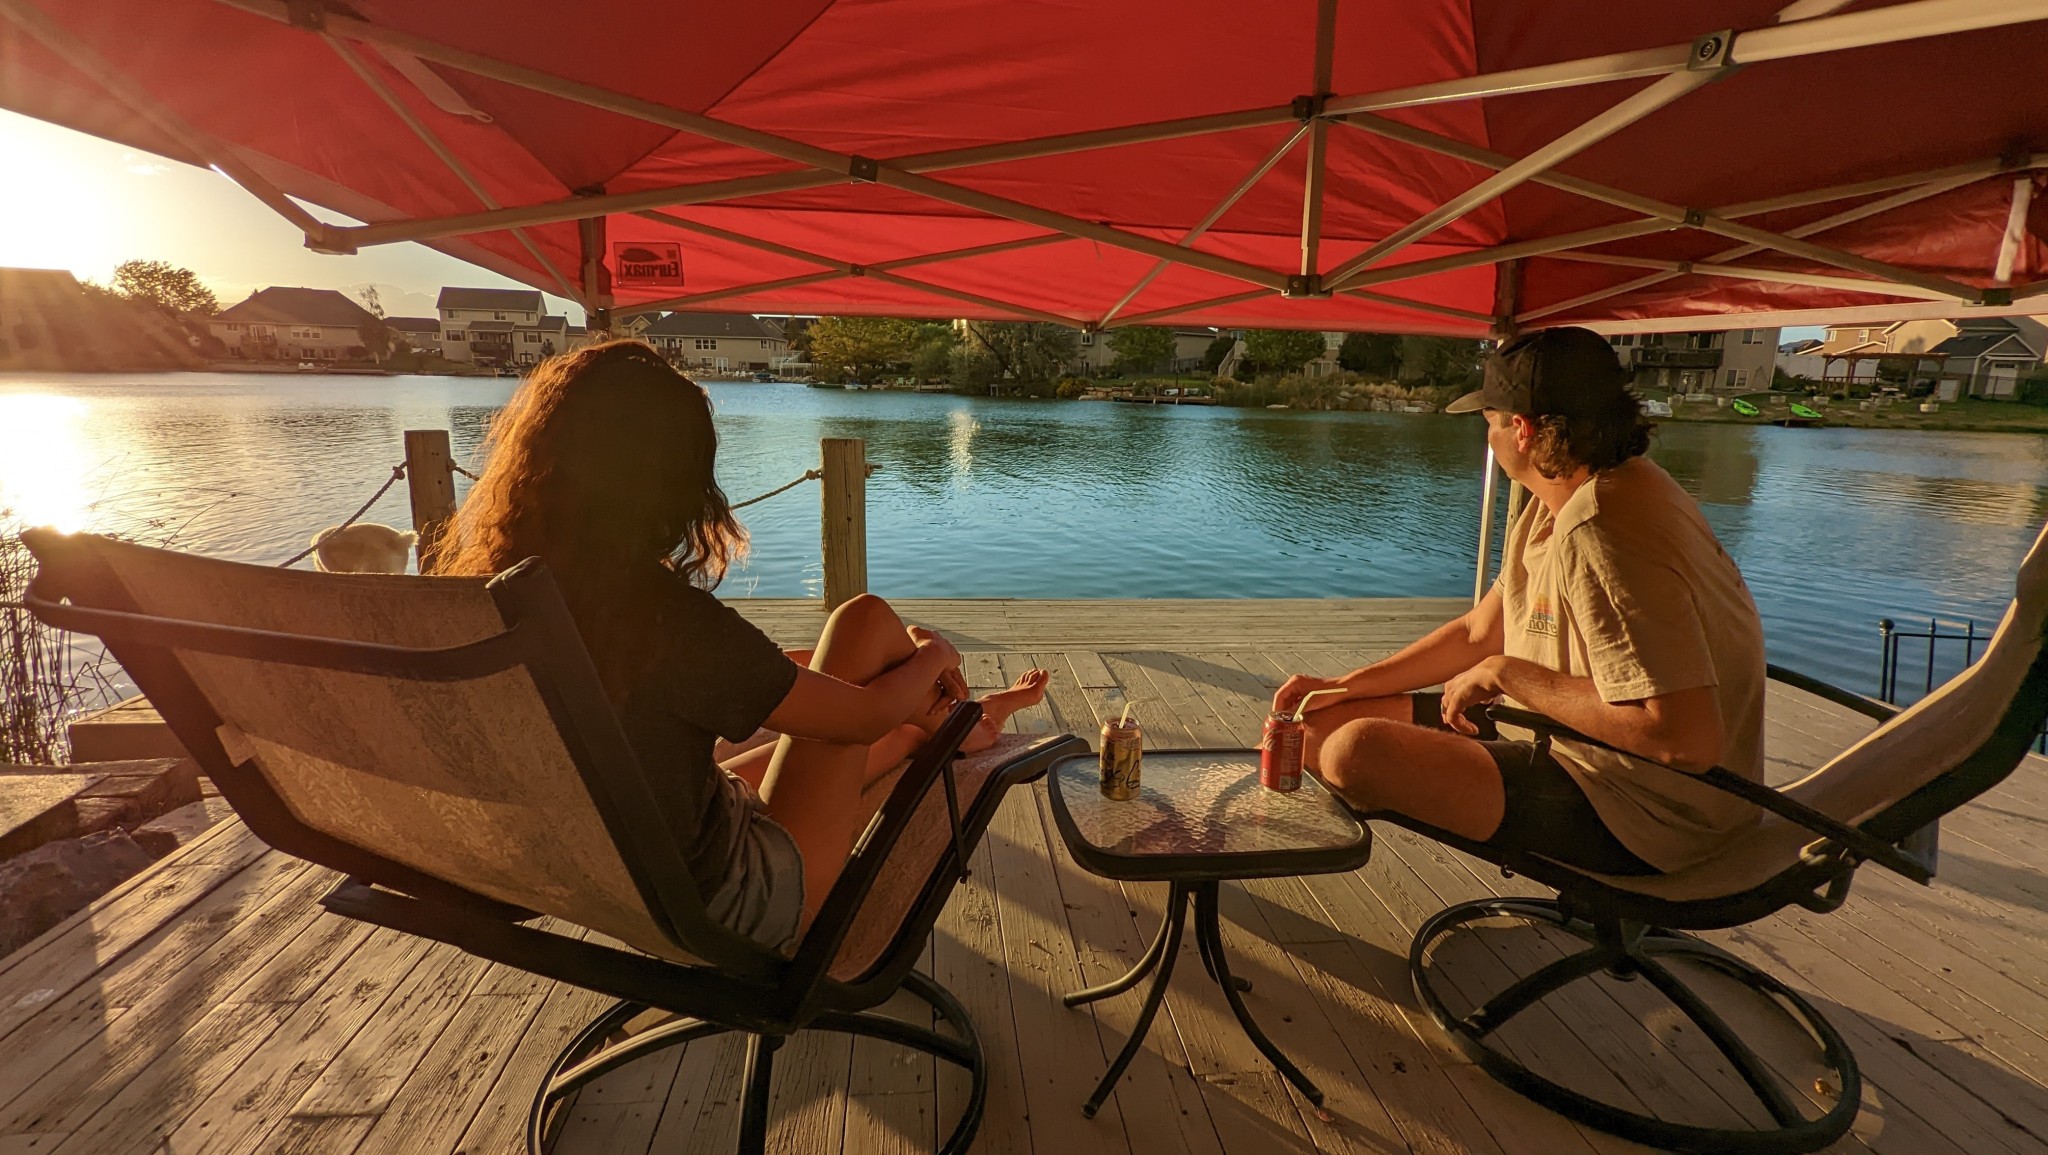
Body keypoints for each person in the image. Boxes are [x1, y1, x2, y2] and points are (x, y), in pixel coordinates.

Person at [435, 341, 1048, 951]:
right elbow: (862, 718)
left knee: (831, 722)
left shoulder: (488, 599)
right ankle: (958, 720)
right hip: (722, 906)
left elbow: (759, 676)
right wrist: (935, 652)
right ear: (674, 482)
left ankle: (956, 723)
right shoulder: (659, 617)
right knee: (863, 623)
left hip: (593, 865)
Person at [1273, 328, 1766, 876]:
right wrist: (1345, 685)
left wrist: (1510, 674)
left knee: (1354, 750)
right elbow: (1480, 632)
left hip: (1649, 811)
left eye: (1490, 421)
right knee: (1316, 726)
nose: (1488, 437)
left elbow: (1685, 740)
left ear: (1523, 430)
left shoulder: (1606, 530)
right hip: (1566, 742)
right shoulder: (1559, 499)